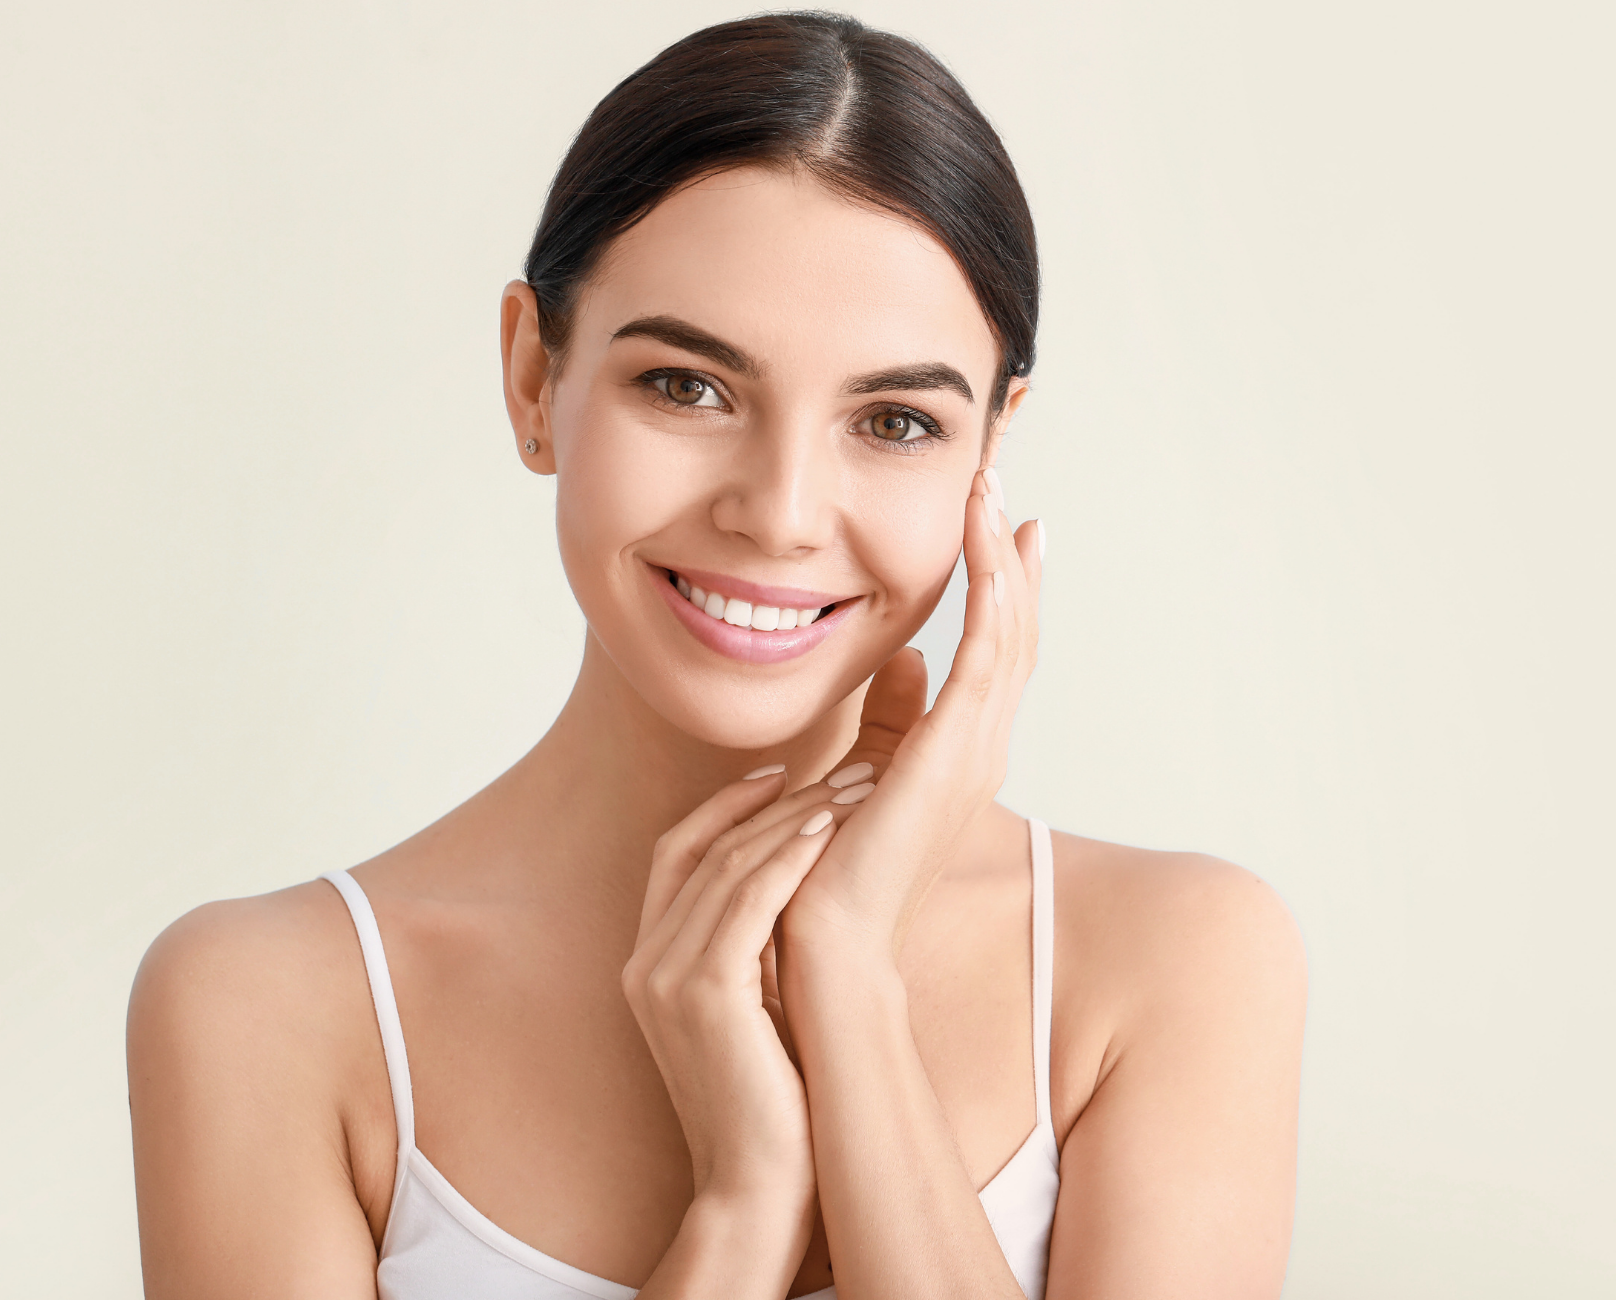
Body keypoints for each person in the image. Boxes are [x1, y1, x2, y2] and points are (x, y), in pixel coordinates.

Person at [125, 12, 1307, 1298]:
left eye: (897, 419)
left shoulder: (1169, 961)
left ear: (989, 448)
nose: (782, 510)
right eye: (688, 385)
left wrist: (848, 985)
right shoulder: (270, 1009)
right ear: (533, 376)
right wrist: (741, 1207)